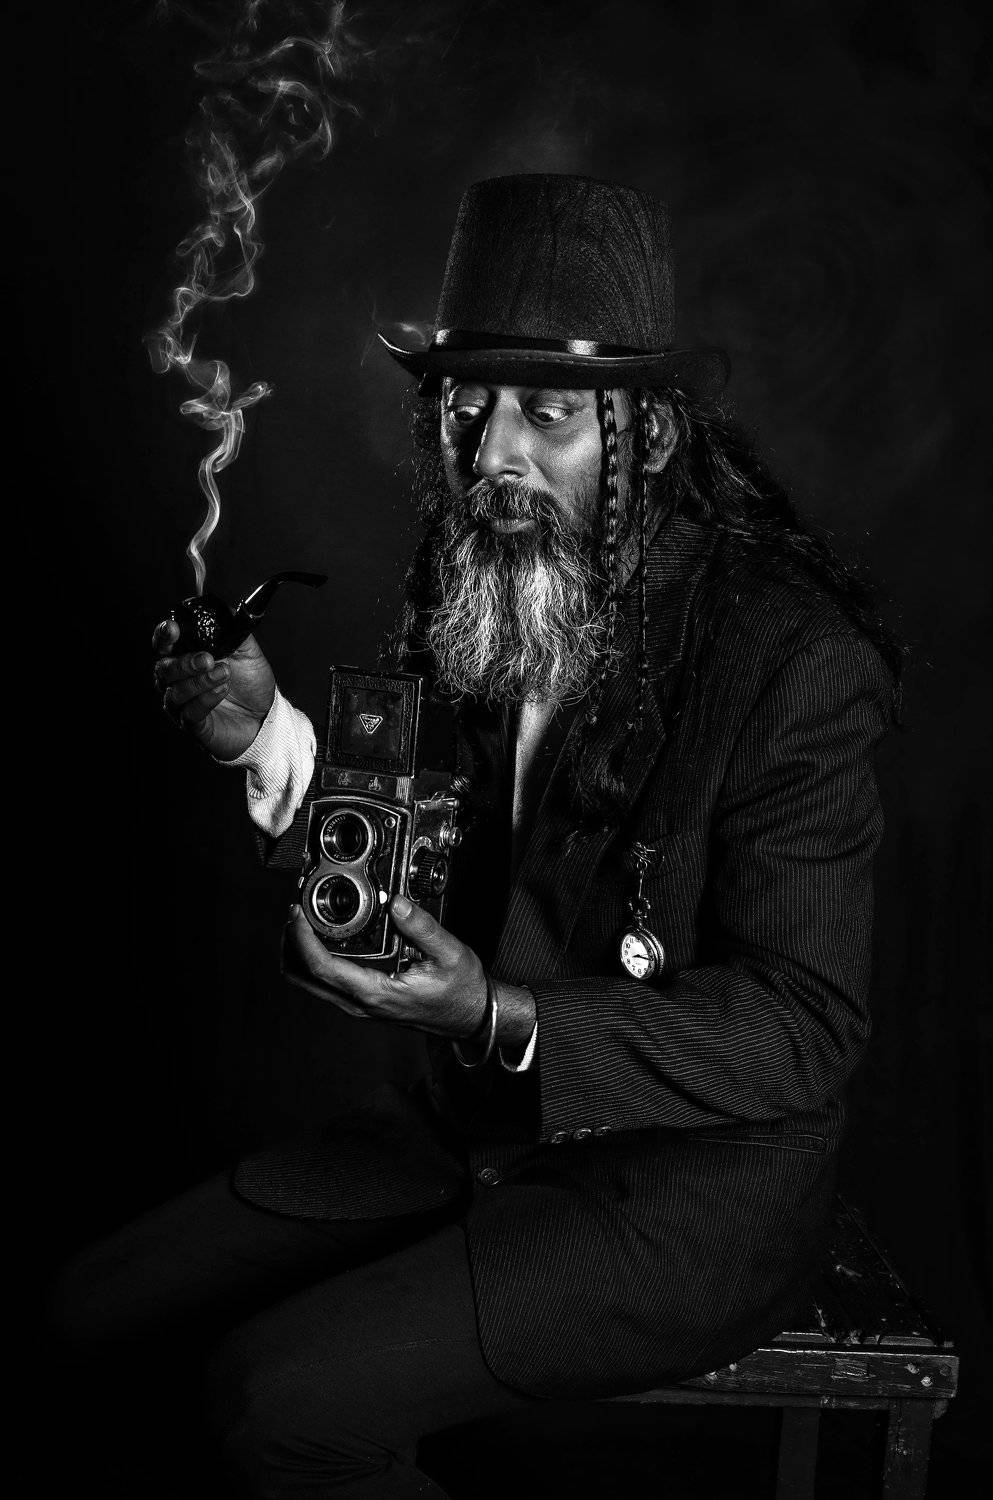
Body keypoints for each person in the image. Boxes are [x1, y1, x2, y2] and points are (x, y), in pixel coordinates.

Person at [53, 174, 900, 1498]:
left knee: (279, 1405)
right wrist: (262, 737)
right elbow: (410, 867)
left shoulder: (791, 658)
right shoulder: (480, 582)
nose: (494, 452)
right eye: (468, 406)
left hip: (678, 1195)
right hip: (466, 1135)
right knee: (86, 1321)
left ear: (647, 435)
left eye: (546, 414)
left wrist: (501, 1015)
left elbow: (803, 1026)